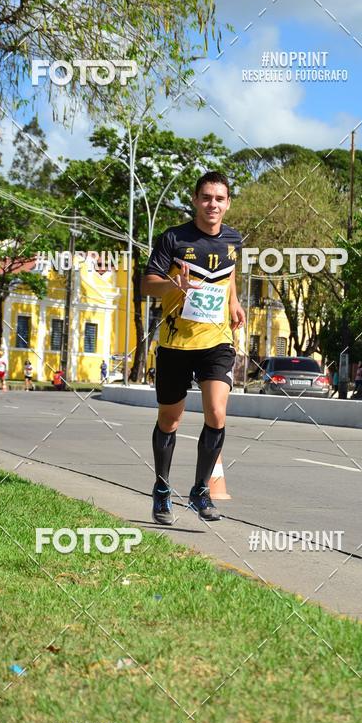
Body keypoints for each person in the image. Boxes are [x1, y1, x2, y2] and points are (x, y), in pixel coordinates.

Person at [141, 170, 245, 525]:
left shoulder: (233, 239)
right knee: (170, 420)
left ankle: (201, 489)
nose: (212, 204)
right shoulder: (174, 238)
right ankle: (161, 488)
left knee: (216, 412)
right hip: (176, 343)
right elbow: (147, 285)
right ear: (195, 200)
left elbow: (229, 272)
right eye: (206, 198)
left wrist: (234, 301)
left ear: (228, 203)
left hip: (216, 341)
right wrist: (173, 284)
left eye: (219, 198)